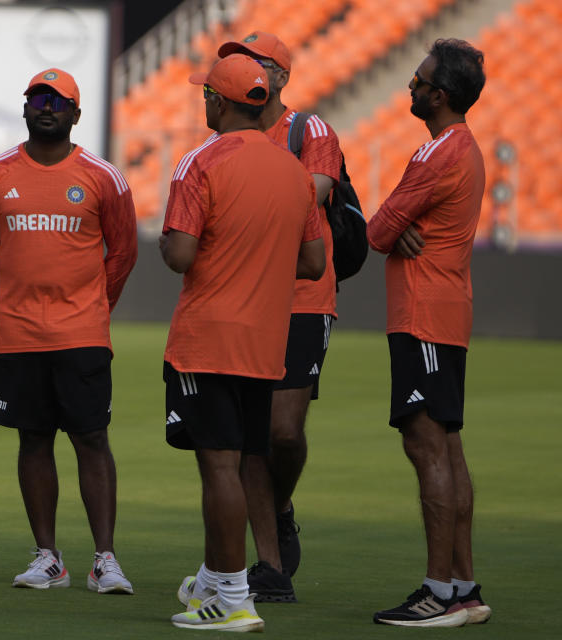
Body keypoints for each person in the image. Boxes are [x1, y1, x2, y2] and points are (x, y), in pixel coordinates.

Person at [161, 54, 324, 632]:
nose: (203, 100)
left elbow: (179, 253)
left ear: (219, 102)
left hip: (207, 338)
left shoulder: (199, 161)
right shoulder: (293, 170)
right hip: (266, 343)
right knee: (238, 461)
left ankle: (231, 596)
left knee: (219, 468)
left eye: (207, 93)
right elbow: (313, 262)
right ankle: (212, 579)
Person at [0, 68, 138, 594]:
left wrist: (90, 305)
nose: (46, 106)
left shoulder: (102, 176)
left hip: (82, 333)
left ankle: (105, 559)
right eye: (37, 98)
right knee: (33, 439)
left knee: (92, 438)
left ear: (75, 114)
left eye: (58, 100)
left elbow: (124, 251)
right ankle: (48, 557)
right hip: (18, 335)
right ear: (25, 109)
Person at [215, 30, 344, 602]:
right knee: (247, 438)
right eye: (237, 61)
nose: (245, 68)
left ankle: (282, 505)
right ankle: (267, 565)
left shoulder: (306, 129)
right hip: (244, 297)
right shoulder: (223, 136)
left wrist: (250, 184)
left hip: (301, 297)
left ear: (282, 77)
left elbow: (312, 193)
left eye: (257, 62)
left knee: (282, 432)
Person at [367, 39, 489, 627]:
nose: (409, 88)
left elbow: (378, 228)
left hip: (422, 316)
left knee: (426, 449)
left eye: (417, 81)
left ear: (439, 95)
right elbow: (392, 228)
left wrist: (398, 228)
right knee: (449, 449)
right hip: (447, 313)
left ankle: (437, 592)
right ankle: (465, 587)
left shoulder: (436, 155)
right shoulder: (463, 148)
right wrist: (399, 228)